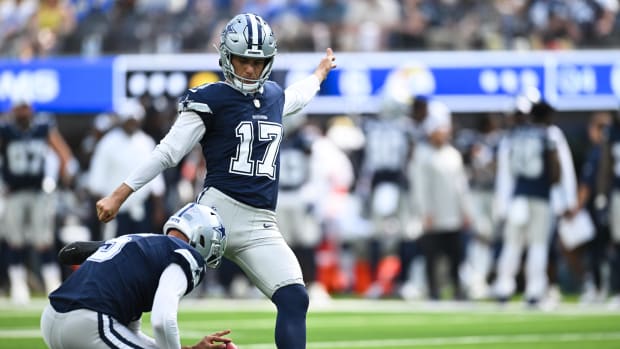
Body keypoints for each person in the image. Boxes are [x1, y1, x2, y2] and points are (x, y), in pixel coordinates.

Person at [95, 13, 337, 349]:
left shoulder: (274, 96)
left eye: (257, 61)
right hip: (213, 216)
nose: (250, 69)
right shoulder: (211, 98)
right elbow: (168, 153)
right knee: (151, 285)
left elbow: (300, 94)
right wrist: (120, 194)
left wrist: (319, 74)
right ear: (226, 57)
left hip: (261, 224)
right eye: (242, 60)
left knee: (295, 298)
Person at [41, 203, 232, 349]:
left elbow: (129, 332)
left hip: (52, 317)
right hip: (90, 322)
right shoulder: (185, 255)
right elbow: (162, 320)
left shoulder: (137, 244)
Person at [0, 97, 77, 304]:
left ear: (31, 109)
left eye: (25, 108)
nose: (23, 113)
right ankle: (18, 285)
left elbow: (63, 153)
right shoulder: (5, 130)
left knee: (44, 240)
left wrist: (63, 179)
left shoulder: (43, 128)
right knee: (14, 240)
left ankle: (52, 284)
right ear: (13, 110)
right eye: (19, 108)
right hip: (14, 192)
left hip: (38, 191)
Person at [88, 99, 166, 239]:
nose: (132, 124)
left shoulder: (145, 142)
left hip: (141, 209)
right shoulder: (108, 143)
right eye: (129, 120)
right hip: (116, 212)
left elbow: (156, 180)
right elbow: (97, 181)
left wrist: (158, 209)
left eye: (135, 120)